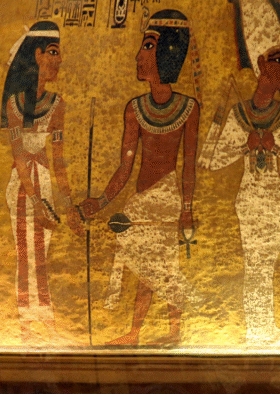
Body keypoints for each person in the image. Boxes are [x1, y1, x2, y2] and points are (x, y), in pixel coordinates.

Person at [199, 0, 280, 346]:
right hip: (250, 201)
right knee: (256, 266)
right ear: (260, 64)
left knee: (265, 266)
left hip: (273, 199)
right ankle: (258, 329)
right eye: (278, 60)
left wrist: (276, 144)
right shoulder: (239, 112)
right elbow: (211, 159)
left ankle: (263, 327)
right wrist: (245, 143)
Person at [77, 9, 199, 346]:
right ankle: (136, 332)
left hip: (168, 200)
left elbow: (189, 165)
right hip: (141, 202)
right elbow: (125, 167)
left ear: (168, 51)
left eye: (147, 46)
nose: (137, 56)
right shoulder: (134, 109)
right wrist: (101, 201)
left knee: (166, 267)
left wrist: (187, 209)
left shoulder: (189, 108)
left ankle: (173, 331)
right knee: (146, 267)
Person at [1, 22, 75, 345]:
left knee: (41, 255)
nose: (59, 60)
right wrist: (36, 204)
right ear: (37, 55)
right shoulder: (14, 105)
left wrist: (68, 205)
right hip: (22, 186)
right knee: (25, 255)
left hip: (42, 181)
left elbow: (58, 159)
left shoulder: (57, 105)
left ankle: (45, 318)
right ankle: (25, 324)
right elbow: (19, 158)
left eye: (59, 53)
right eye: (53, 52)